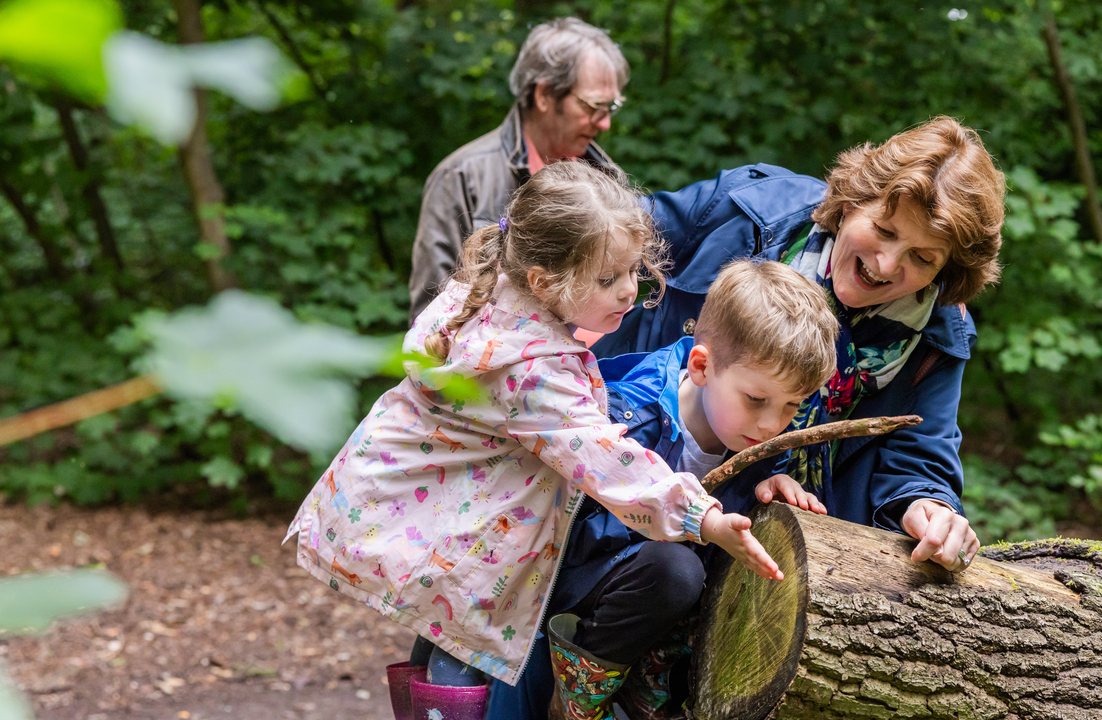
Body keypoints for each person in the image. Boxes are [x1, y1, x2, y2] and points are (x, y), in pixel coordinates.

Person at [284, 162, 780, 720]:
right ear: (545, 282)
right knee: (460, 660)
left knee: (445, 642)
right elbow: (604, 461)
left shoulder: (492, 299)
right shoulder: (529, 368)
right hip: (462, 540)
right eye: (607, 278)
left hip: (442, 525)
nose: (629, 290)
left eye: (632, 270)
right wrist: (703, 518)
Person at [591, 116, 1006, 575]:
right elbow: (593, 235)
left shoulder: (936, 337)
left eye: (922, 257)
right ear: (852, 202)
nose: (886, 265)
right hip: (607, 479)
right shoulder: (749, 214)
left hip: (784, 553)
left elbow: (921, 455)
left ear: (945, 272)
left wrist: (926, 505)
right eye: (885, 231)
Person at [490, 259, 840, 719]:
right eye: (757, 400)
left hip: (659, 628)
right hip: (576, 586)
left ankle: (646, 689)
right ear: (701, 366)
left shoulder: (757, 445)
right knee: (676, 567)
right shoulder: (628, 414)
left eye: (792, 406)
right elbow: (575, 531)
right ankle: (579, 696)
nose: (773, 424)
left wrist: (764, 492)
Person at [408, 17, 629, 320]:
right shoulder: (461, 177)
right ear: (544, 95)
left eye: (611, 108)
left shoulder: (607, 177)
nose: (604, 123)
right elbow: (429, 320)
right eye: (592, 107)